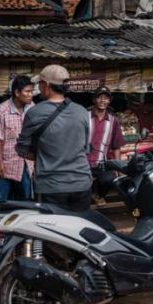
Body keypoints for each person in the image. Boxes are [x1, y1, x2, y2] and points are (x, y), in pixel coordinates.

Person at [15, 65, 92, 212]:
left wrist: (44, 155)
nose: (39, 87)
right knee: (78, 231)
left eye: (40, 84)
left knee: (55, 232)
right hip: (82, 182)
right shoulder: (82, 111)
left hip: (51, 185)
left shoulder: (35, 113)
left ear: (47, 85)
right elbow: (85, 148)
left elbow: (22, 149)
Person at [0, 76, 36, 203]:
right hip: (6, 162)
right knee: (0, 200)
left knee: (25, 200)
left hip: (26, 162)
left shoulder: (32, 108)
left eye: (32, 91)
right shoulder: (1, 110)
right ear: (17, 92)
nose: (31, 94)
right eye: (28, 91)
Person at [88, 85, 125, 202]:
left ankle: (99, 196)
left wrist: (118, 166)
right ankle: (88, 198)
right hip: (83, 163)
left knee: (110, 179)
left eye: (106, 98)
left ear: (109, 101)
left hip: (102, 163)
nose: (103, 100)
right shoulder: (84, 117)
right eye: (99, 97)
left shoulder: (113, 121)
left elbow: (116, 145)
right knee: (81, 187)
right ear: (94, 99)